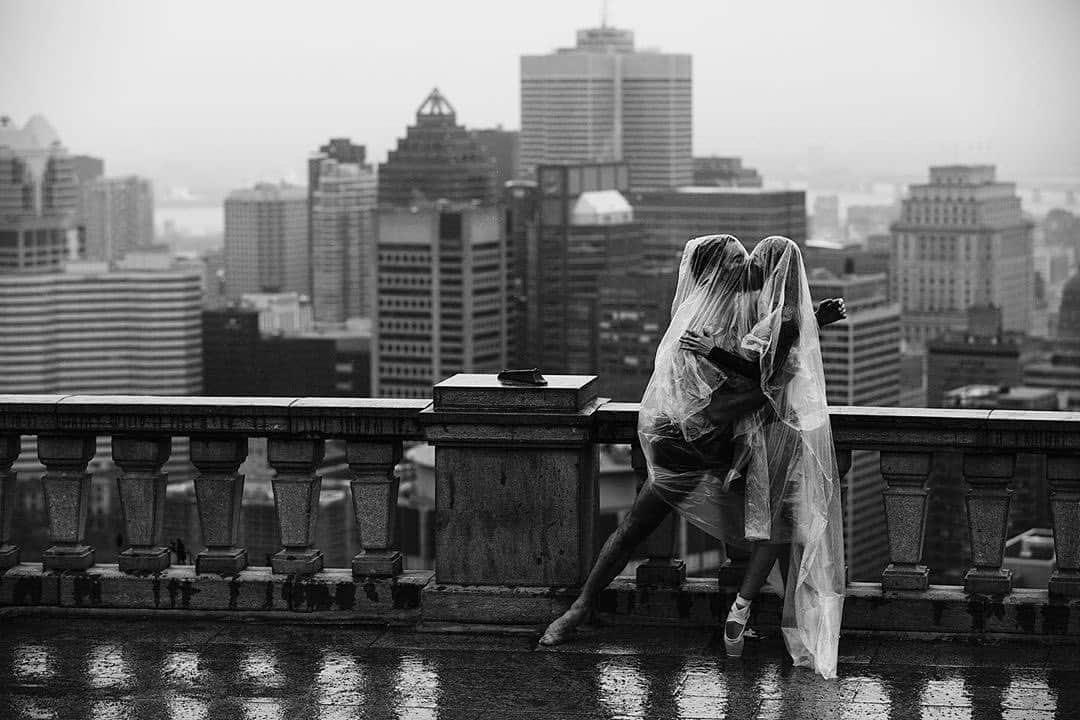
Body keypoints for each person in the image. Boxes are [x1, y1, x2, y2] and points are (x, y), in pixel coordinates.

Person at [538, 235, 845, 668]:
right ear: (718, 273)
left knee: (644, 529)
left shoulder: (724, 312)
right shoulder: (702, 326)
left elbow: (764, 348)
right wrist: (764, 392)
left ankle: (581, 610)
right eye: (738, 264)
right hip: (697, 447)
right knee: (779, 526)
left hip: (693, 448)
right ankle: (755, 616)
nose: (748, 270)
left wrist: (808, 321)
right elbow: (732, 395)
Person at [680, 236, 846, 679]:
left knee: (783, 530)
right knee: (787, 530)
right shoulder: (786, 315)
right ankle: (773, 621)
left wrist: (711, 350)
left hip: (775, 433)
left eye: (761, 262)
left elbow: (763, 364)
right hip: (785, 431)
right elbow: (769, 363)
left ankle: (756, 617)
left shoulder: (785, 316)